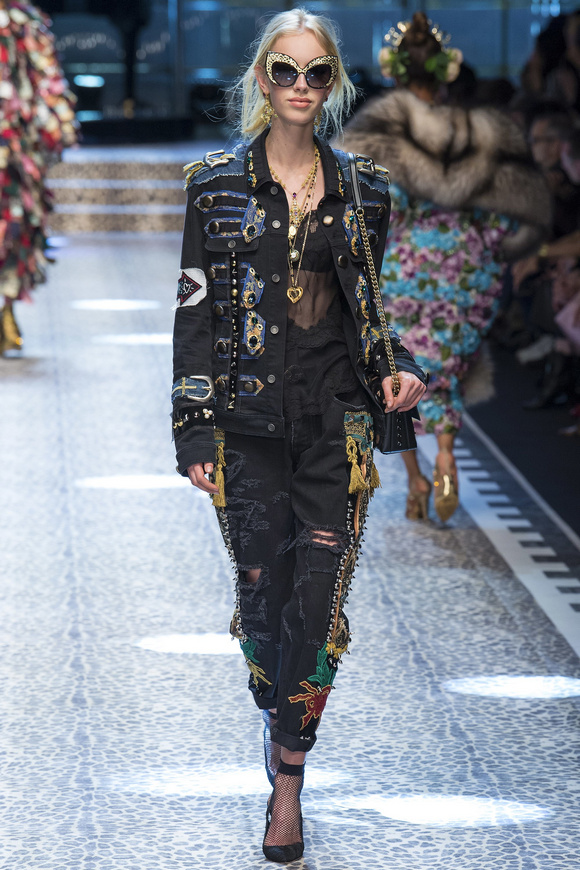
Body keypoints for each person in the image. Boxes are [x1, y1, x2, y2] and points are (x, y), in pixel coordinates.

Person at [171, 8, 426, 862]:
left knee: (316, 608)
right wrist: (193, 432)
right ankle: (279, 712)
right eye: (285, 70)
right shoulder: (213, 188)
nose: (300, 87)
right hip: (244, 430)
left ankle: (288, 781)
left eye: (317, 73)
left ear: (334, 82)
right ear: (261, 78)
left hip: (335, 426)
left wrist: (398, 369)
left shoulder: (364, 191)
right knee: (263, 609)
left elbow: (369, 312)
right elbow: (194, 316)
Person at [341, 12, 550, 522]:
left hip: (406, 266)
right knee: (446, 370)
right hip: (467, 269)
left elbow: (363, 208)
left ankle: (416, 480)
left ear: (393, 72)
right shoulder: (482, 130)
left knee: (400, 370)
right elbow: (513, 205)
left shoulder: (377, 132)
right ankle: (448, 455)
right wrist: (498, 246)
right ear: (448, 72)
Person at [0, 0, 77, 355]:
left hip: (18, 148)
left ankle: (7, 310)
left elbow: (48, 79)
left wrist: (57, 122)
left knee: (15, 231)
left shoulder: (26, 22)